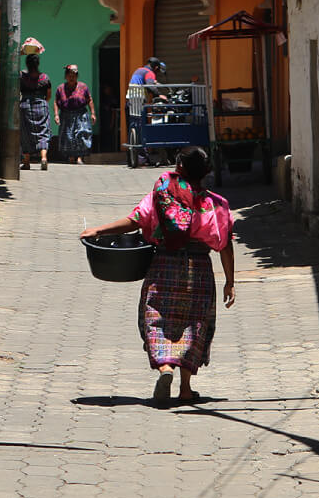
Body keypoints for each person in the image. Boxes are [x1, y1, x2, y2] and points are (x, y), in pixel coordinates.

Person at [81, 147, 236, 406]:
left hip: (164, 265)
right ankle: (185, 389)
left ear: (180, 167)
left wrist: (99, 230)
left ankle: (165, 368)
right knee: (194, 324)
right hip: (199, 270)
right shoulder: (215, 205)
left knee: (156, 317)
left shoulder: (164, 195)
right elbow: (226, 245)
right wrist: (230, 282)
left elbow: (136, 220)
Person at [54, 64, 96, 164]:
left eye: (74, 76)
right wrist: (56, 115)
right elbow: (56, 102)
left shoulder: (83, 87)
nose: (71, 78)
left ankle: (80, 157)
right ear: (65, 76)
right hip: (66, 115)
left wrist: (93, 113)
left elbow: (89, 100)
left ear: (77, 76)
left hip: (81, 114)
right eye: (69, 76)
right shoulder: (60, 88)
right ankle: (71, 156)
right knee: (68, 137)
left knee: (81, 135)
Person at [18, 52, 52, 171]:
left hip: (25, 106)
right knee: (43, 131)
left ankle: (26, 162)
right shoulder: (45, 78)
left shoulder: (22, 76)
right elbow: (48, 95)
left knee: (25, 133)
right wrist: (42, 102)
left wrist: (19, 54)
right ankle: (44, 158)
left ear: (27, 64)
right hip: (41, 106)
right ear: (38, 64)